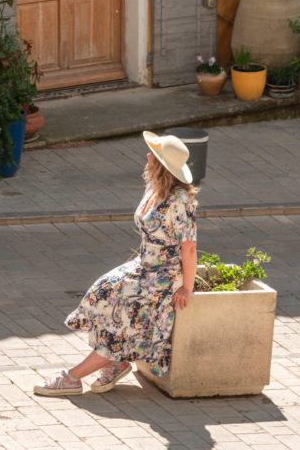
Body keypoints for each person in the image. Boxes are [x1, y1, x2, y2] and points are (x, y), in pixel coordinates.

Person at [33, 131, 198, 397]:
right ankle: (117, 361)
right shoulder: (154, 188)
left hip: (163, 276)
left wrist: (186, 288)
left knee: (120, 315)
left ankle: (73, 377)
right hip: (144, 266)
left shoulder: (180, 201)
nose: (147, 155)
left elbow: (189, 248)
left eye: (152, 154)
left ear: (161, 164)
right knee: (103, 290)